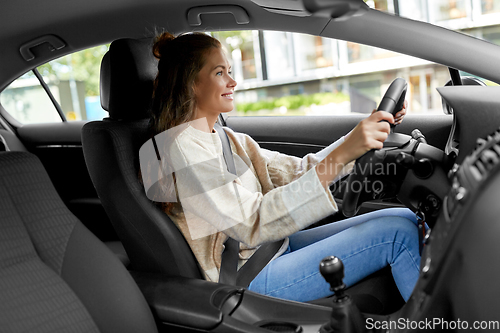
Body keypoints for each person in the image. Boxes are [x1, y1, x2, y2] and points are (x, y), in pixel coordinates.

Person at [144, 31, 420, 303]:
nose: (233, 81)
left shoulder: (228, 138)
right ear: (191, 83)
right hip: (247, 274)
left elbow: (299, 171)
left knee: (406, 217)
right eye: (220, 73)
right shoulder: (182, 150)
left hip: (272, 248)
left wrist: (360, 136)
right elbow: (252, 221)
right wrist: (346, 152)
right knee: (397, 235)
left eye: (229, 71)